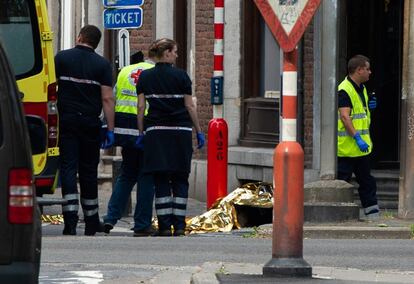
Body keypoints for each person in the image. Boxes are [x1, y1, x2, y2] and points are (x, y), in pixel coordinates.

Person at [136, 38, 205, 237]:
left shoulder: (145, 77)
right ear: (166, 53)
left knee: (161, 178)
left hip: (156, 132)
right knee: (180, 177)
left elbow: (140, 107)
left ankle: (165, 226)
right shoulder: (182, 76)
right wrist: (198, 130)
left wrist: (141, 132)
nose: (176, 55)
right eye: (175, 51)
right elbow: (189, 106)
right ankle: (180, 226)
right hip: (180, 133)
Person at [55, 25, 115, 235]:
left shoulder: (61, 58)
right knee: (89, 170)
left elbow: (51, 89)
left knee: (68, 168)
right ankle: (91, 221)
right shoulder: (102, 65)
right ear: (95, 43)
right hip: (90, 123)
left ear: (79, 37)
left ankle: (70, 221)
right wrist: (110, 128)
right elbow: (107, 98)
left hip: (67, 121)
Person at [103, 50, 156, 237]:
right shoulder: (155, 72)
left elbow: (114, 97)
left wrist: (107, 126)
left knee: (126, 175)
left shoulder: (125, 71)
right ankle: (142, 223)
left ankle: (110, 217)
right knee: (146, 177)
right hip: (145, 129)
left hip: (124, 128)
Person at [337, 54, 379, 219]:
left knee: (367, 183)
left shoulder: (361, 88)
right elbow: (345, 117)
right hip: (347, 149)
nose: (370, 72)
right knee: (342, 184)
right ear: (359, 70)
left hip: (360, 150)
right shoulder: (344, 90)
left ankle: (373, 215)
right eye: (367, 69)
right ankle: (340, 216)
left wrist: (369, 106)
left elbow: (359, 114)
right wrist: (357, 137)